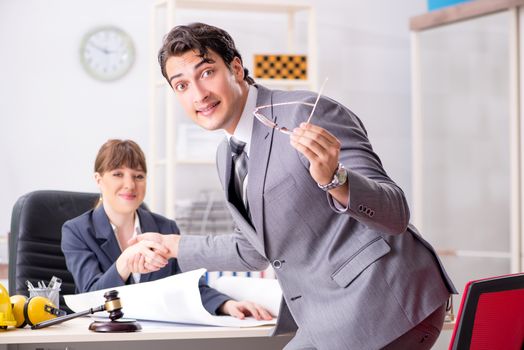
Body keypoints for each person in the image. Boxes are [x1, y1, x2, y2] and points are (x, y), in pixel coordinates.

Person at [135, 23, 457, 349]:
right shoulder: (226, 155)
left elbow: (395, 213)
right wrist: (173, 245)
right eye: (181, 85)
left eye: (205, 73)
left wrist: (336, 179)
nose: (198, 94)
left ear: (235, 67)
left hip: (386, 301)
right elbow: (253, 251)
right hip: (327, 315)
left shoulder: (306, 113)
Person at [61, 139, 273, 320]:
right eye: (118, 174)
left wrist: (225, 305)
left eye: (138, 176)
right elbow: (89, 297)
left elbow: (188, 286)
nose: (130, 185)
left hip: (156, 333)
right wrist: (124, 263)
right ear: (98, 180)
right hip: (103, 336)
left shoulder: (164, 228)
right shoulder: (77, 231)